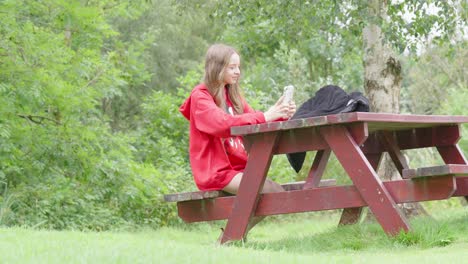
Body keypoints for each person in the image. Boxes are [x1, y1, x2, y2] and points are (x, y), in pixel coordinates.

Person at [179, 43, 296, 196]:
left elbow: (255, 123)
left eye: (238, 67)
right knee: (273, 192)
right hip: (216, 173)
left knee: (274, 192)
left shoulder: (233, 97)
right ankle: (239, 221)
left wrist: (280, 113)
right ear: (217, 68)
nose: (237, 72)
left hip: (238, 169)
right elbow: (222, 125)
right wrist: (266, 115)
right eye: (232, 67)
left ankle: (239, 222)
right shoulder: (200, 97)